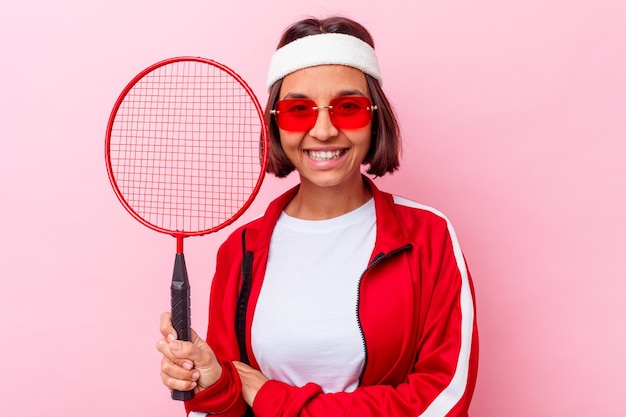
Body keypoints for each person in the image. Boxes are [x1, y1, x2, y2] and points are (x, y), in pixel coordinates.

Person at [157, 15, 479, 417]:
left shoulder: (429, 236)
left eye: (348, 107)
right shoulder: (240, 251)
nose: (324, 130)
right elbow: (226, 406)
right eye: (298, 109)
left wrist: (276, 399)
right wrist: (212, 386)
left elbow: (443, 400)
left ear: (375, 117)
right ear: (275, 123)